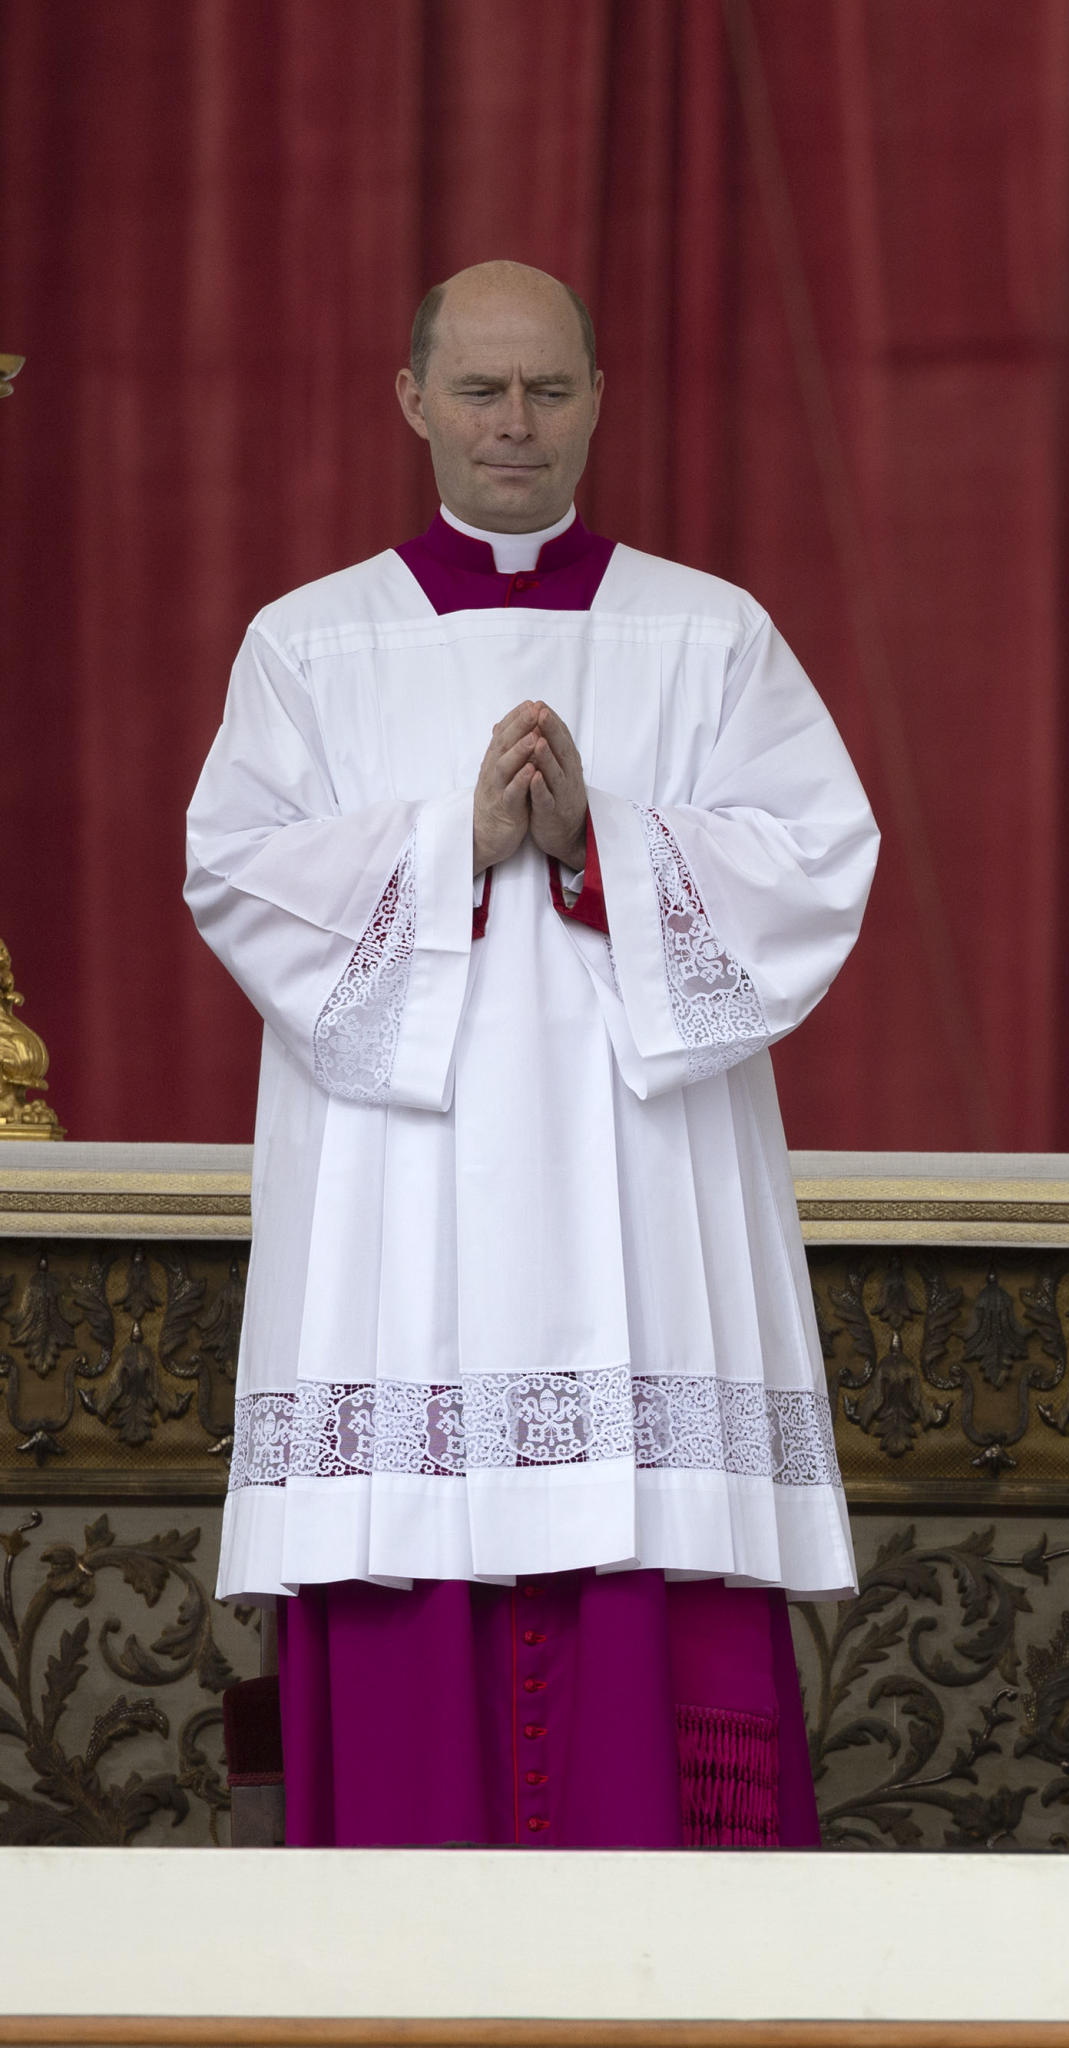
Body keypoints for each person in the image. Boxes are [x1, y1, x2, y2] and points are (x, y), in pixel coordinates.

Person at [185, 260, 878, 1847]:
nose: (517, 423)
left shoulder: (708, 637)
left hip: (639, 1196)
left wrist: (601, 846)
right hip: (401, 1218)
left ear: (598, 402)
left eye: (550, 389)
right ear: (413, 399)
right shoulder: (312, 646)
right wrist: (453, 843)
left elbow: (820, 860)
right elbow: (232, 868)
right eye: (483, 389)